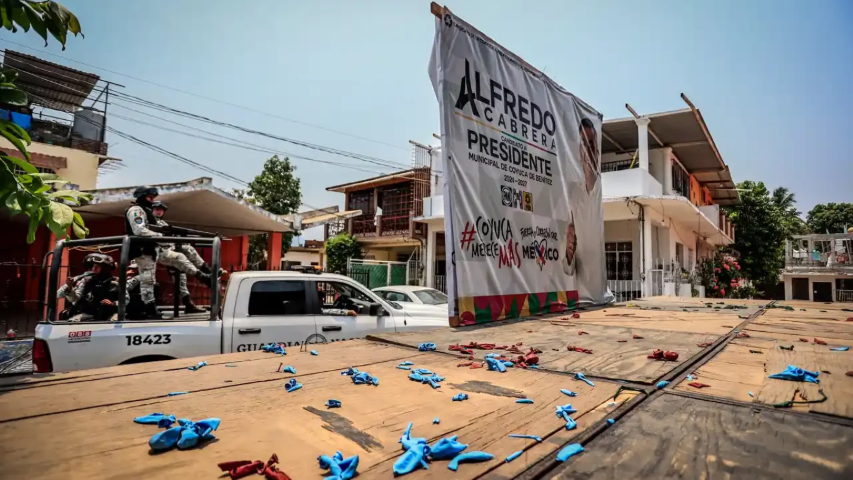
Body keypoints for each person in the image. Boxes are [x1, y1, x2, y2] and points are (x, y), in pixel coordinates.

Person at [125, 186, 211, 320]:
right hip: (143, 251)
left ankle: (203, 276)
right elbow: (139, 230)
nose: (152, 200)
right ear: (141, 196)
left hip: (154, 249)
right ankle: (150, 309)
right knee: (148, 280)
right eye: (150, 197)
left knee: (179, 257)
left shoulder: (147, 211)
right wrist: (160, 236)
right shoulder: (136, 210)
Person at [151, 201, 208, 314]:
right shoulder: (151, 222)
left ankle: (207, 271)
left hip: (171, 250)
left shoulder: (163, 223)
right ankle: (204, 276)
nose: (159, 212)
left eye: (161, 210)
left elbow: (170, 236)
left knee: (182, 276)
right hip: (161, 252)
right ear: (152, 210)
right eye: (156, 209)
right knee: (179, 268)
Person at [70, 254, 122, 322]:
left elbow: (126, 300)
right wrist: (69, 288)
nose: (94, 268)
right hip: (90, 314)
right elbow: (75, 298)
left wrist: (113, 303)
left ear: (105, 268)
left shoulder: (117, 282)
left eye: (98, 266)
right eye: (93, 266)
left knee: (115, 321)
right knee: (73, 321)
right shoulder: (86, 280)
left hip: (111, 314)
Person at [57, 253, 98, 320]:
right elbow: (59, 294)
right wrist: (70, 287)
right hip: (83, 315)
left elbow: (58, 294)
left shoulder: (76, 279)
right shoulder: (79, 279)